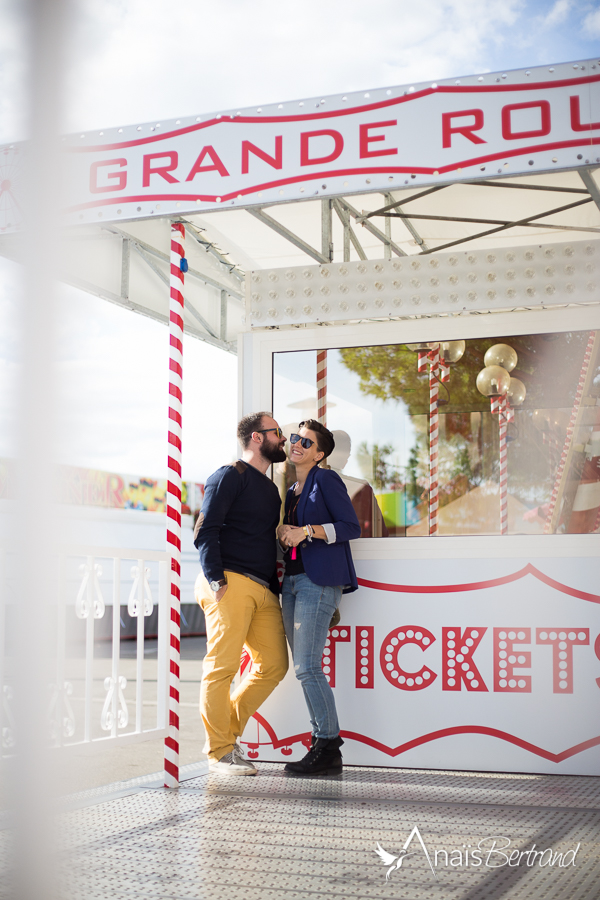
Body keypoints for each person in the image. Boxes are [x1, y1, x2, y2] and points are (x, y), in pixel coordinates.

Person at [194, 412, 289, 776]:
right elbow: (205, 531)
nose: (283, 438)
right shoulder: (228, 475)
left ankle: (226, 736)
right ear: (255, 438)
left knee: (275, 665)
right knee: (222, 667)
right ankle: (219, 753)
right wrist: (217, 582)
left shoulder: (271, 489)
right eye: (277, 432)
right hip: (229, 581)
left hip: (263, 589)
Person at [277, 419, 361, 776]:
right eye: (296, 438)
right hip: (292, 583)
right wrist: (283, 530)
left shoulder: (325, 479)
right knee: (304, 668)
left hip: (318, 580)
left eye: (307, 442)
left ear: (321, 453)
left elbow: (350, 527)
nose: (297, 444)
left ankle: (327, 746)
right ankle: (322, 745)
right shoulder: (291, 486)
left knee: (308, 667)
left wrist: (307, 531)